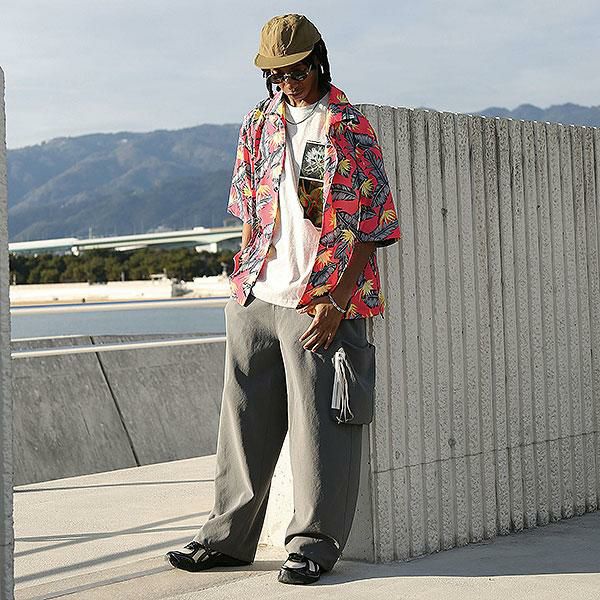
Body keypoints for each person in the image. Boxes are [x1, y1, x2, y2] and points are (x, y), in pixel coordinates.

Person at [165, 13, 401, 585]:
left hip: (319, 303)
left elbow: (375, 224)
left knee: (323, 431)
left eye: (295, 71)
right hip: (258, 297)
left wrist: (337, 300)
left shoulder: (348, 127)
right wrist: (244, 282)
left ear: (319, 61)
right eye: (276, 74)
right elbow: (249, 206)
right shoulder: (260, 122)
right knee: (243, 425)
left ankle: (314, 544)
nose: (286, 82)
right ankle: (227, 539)